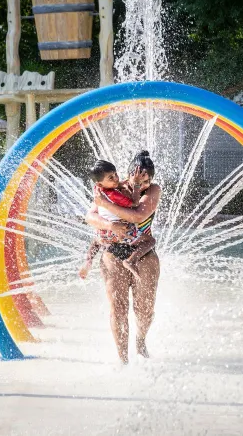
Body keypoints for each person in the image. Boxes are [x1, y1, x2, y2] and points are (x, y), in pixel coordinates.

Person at [85, 151, 162, 364]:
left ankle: (140, 341)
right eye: (139, 179)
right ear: (128, 174)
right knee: (118, 310)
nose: (144, 183)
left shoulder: (153, 191)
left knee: (144, 310)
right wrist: (109, 224)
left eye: (148, 180)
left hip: (143, 254)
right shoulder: (113, 188)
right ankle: (123, 361)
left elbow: (138, 215)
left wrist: (108, 206)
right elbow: (90, 216)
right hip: (113, 252)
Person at [79, 159, 156, 281]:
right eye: (111, 177)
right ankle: (131, 261)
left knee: (96, 239)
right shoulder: (116, 194)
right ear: (129, 176)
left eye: (146, 181)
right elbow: (135, 205)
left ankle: (88, 261)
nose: (116, 179)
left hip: (105, 235)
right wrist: (135, 186)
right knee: (151, 241)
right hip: (122, 233)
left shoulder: (99, 189)